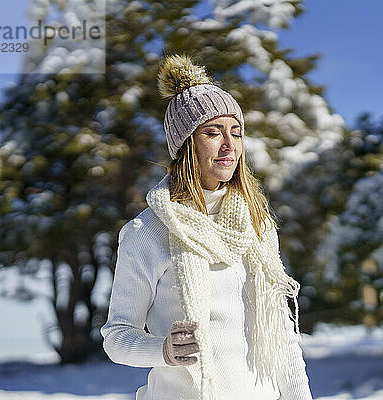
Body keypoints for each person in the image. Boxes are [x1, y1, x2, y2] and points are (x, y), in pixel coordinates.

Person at [100, 54, 313, 400]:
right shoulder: (148, 232)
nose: (230, 145)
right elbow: (117, 337)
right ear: (186, 146)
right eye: (213, 133)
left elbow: (283, 337)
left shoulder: (256, 227)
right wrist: (163, 351)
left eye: (237, 133)